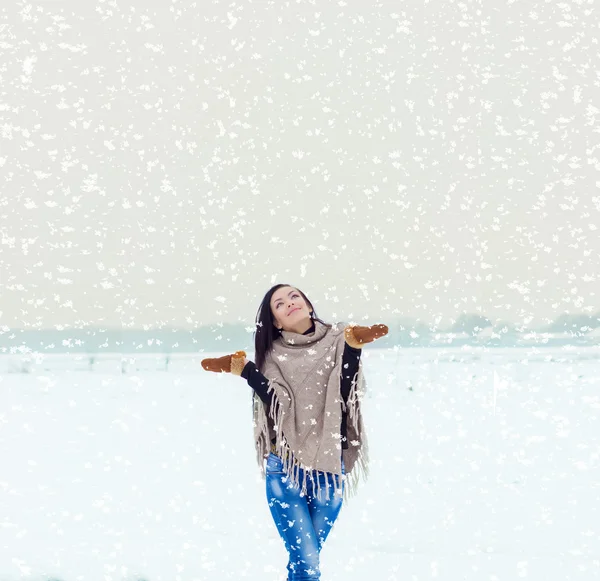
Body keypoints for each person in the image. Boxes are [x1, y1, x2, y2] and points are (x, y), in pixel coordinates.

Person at [201, 284, 388, 581]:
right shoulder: (273, 357)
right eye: (279, 303)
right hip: (285, 469)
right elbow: (275, 404)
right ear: (275, 321)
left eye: (294, 296)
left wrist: (352, 348)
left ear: (308, 304)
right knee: (308, 566)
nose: (289, 303)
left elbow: (344, 391)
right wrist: (247, 370)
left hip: (329, 467)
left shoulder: (341, 337)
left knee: (302, 564)